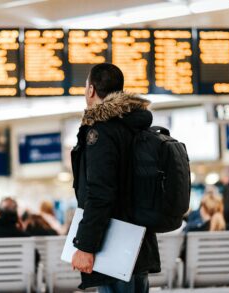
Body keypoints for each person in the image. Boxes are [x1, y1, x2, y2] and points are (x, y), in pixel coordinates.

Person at [71, 63, 160, 292]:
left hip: (114, 246)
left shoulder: (102, 132)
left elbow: (100, 192)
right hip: (138, 242)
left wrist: (85, 246)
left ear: (91, 90)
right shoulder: (136, 128)